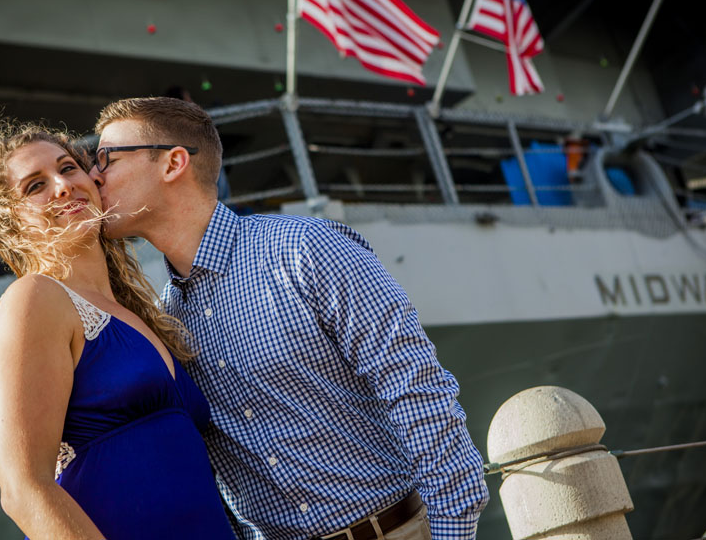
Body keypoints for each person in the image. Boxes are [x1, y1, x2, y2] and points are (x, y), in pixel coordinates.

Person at [88, 97, 490, 540]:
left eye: (106, 157)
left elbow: (419, 393)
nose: (93, 175)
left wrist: (453, 532)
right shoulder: (166, 318)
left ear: (173, 163)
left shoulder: (307, 249)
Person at [0, 118, 236, 540]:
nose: (62, 186)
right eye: (34, 186)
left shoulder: (139, 310)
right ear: (12, 223)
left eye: (67, 168)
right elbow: (23, 489)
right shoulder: (34, 300)